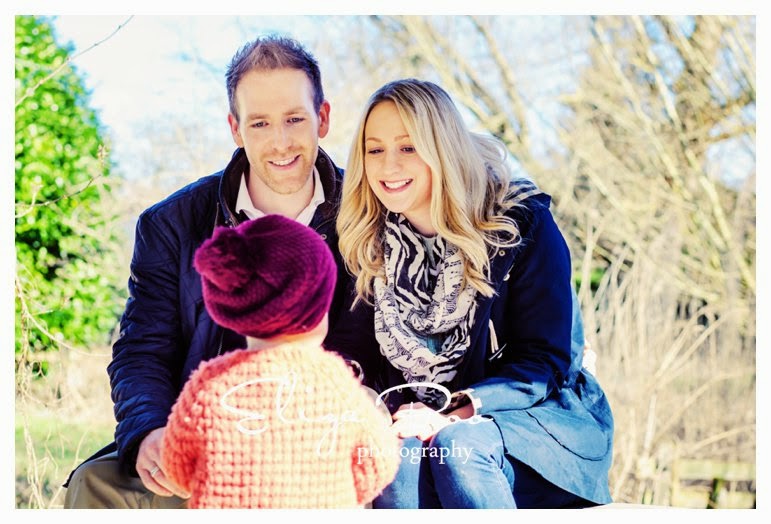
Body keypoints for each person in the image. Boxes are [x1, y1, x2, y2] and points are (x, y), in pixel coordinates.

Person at [63, 35, 346, 509]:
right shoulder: (171, 224)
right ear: (236, 128)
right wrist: (148, 430)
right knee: (95, 482)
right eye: (259, 123)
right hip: (205, 444)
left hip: (320, 443)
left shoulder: (365, 214)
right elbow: (143, 349)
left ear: (322, 118)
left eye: (294, 119)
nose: (280, 141)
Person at [333, 78, 614, 509]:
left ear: (441, 147)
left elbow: (544, 363)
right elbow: (357, 358)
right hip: (418, 422)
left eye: (408, 147)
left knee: (457, 448)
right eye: (375, 149)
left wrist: (453, 413)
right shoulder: (364, 240)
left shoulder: (520, 226)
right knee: (395, 460)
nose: (388, 165)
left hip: (530, 424)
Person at [160, 215, 399, 508]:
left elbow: (177, 467)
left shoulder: (209, 385)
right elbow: (377, 462)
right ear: (315, 309)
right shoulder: (335, 382)